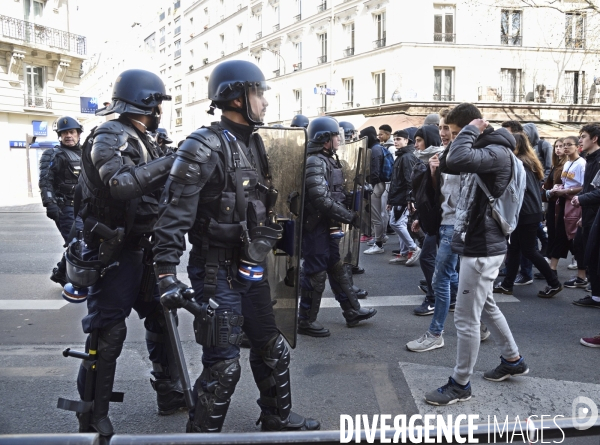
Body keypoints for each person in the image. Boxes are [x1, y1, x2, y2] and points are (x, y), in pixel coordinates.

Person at [152, 60, 319, 433]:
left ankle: (276, 417)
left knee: (271, 346)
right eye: (259, 93)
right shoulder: (202, 146)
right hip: (215, 272)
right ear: (237, 97)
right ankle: (200, 438)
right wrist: (165, 273)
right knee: (224, 365)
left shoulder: (255, 142)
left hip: (250, 267)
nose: (265, 101)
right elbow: (172, 216)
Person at [62, 69, 182, 435]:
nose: (161, 109)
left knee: (164, 320)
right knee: (108, 333)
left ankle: (169, 392)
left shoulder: (147, 138)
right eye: (158, 102)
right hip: (115, 252)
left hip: (146, 249)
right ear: (147, 102)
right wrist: (174, 159)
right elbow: (121, 184)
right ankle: (92, 414)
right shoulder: (109, 134)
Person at [425, 103, 528, 406]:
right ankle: (512, 359)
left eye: (457, 132)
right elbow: (448, 163)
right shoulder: (487, 151)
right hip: (480, 241)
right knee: (486, 306)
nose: (452, 138)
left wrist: (471, 129)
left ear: (476, 128)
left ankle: (460, 384)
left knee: (466, 318)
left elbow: (454, 158)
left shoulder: (494, 152)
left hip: (483, 246)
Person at [298, 117, 377, 337]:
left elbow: (332, 192)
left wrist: (353, 198)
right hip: (315, 227)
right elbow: (320, 199)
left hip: (326, 225)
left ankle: (352, 311)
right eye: (335, 135)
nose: (338, 139)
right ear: (324, 139)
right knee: (315, 273)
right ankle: (305, 320)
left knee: (336, 267)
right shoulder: (315, 161)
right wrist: (349, 215)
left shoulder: (327, 159)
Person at [493, 133, 563, 298]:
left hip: (525, 212)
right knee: (516, 248)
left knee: (529, 250)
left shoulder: (519, 163)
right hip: (529, 211)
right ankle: (507, 284)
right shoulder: (528, 161)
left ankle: (554, 282)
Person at [38, 116, 84, 288]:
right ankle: (72, 279)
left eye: (71, 132)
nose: (68, 136)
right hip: (65, 207)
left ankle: (60, 273)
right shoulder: (52, 154)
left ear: (78, 134)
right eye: (64, 133)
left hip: (85, 207)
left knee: (86, 242)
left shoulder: (86, 153)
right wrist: (49, 203)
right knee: (77, 242)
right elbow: (45, 180)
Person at [409, 125, 443, 313]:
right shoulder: (421, 160)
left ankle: (433, 297)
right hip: (430, 218)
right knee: (435, 259)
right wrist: (419, 218)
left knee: (428, 257)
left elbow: (435, 194)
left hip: (440, 219)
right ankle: (439, 294)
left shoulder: (436, 160)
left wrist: (432, 174)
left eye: (419, 140)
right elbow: (421, 194)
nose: (416, 144)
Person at [546, 136, 586, 284]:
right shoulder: (568, 162)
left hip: (575, 204)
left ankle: (582, 273)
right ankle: (552, 269)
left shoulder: (582, 164)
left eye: (570, 145)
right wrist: (559, 188)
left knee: (576, 239)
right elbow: (565, 182)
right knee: (560, 235)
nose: (566, 148)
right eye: (564, 145)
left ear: (577, 147)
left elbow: (584, 186)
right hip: (563, 202)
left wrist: (566, 191)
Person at [570, 124, 600, 309]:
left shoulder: (597, 160)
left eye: (583, 136)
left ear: (594, 138)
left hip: (595, 212)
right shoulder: (589, 158)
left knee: (593, 254)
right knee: (587, 251)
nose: (580, 140)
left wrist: (581, 199)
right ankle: (595, 293)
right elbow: (590, 187)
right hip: (589, 212)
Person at [387, 130, 421, 265]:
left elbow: (409, 180)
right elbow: (396, 180)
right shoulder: (402, 156)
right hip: (399, 196)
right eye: (394, 139)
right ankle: (404, 252)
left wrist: (410, 199)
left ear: (406, 140)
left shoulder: (406, 157)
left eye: (399, 139)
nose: (395, 141)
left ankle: (413, 248)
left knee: (396, 223)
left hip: (402, 197)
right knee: (399, 223)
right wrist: (390, 200)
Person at [361, 126, 388, 253]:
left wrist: (370, 185)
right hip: (380, 184)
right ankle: (380, 238)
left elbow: (375, 171)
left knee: (375, 216)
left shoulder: (374, 150)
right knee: (379, 215)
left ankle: (378, 244)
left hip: (376, 185)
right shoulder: (379, 148)